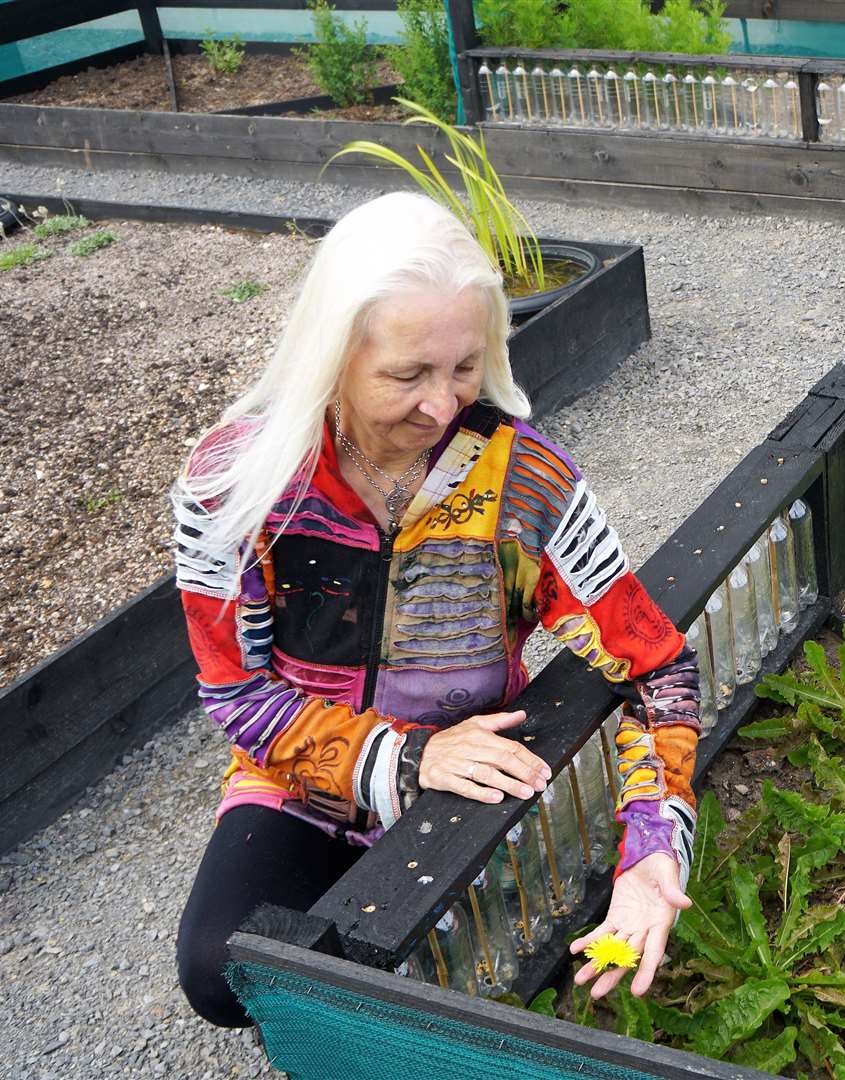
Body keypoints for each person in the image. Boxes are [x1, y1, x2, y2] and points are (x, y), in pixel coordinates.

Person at [173, 192, 698, 1027]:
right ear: (330, 354)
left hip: (471, 782)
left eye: (464, 366)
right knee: (224, 976)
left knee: (452, 999)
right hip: (304, 779)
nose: (445, 406)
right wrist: (402, 758)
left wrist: (653, 841)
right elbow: (236, 693)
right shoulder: (235, 485)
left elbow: (657, 666)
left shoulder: (527, 482)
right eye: (406, 374)